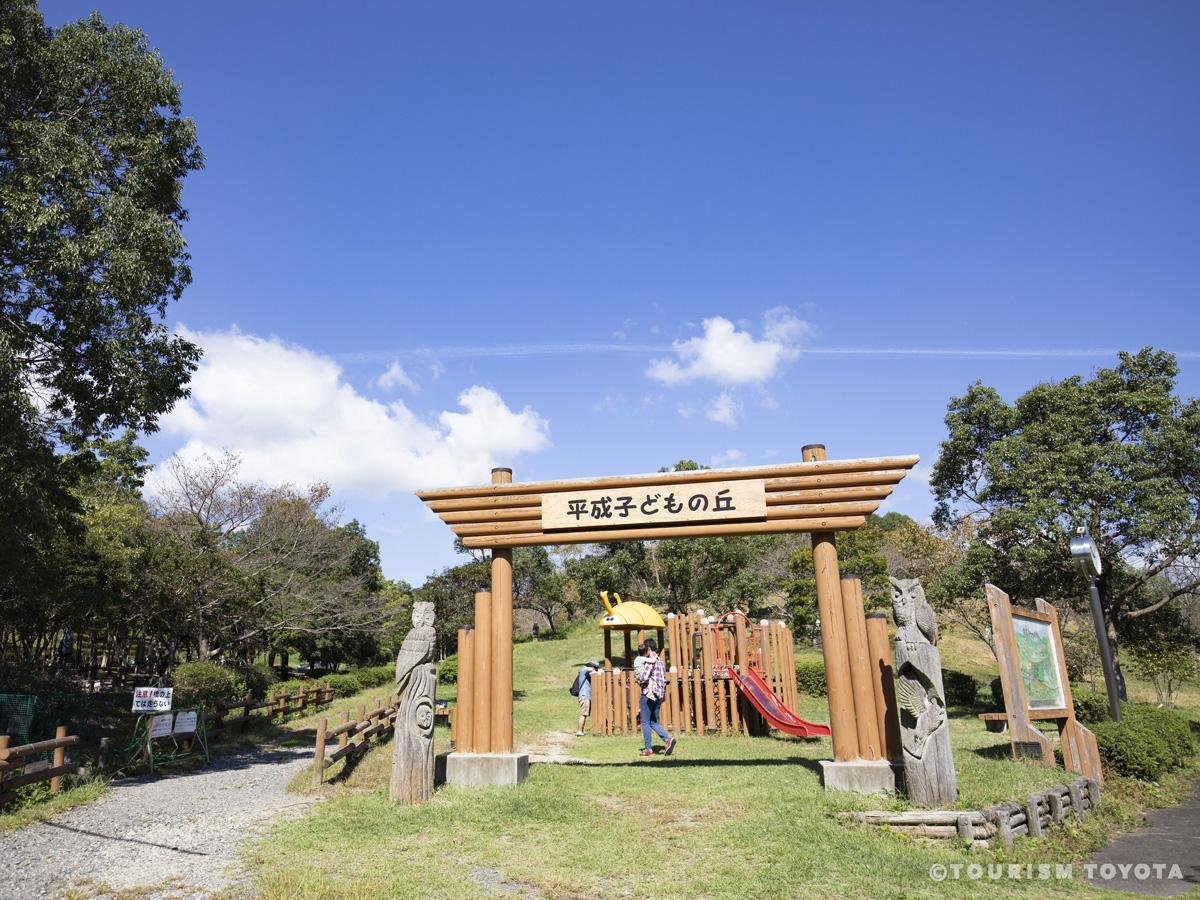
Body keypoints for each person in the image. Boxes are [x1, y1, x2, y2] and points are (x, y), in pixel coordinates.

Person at [634, 639, 675, 757]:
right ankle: (668, 740)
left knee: (645, 722)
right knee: (653, 722)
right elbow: (662, 679)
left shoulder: (650, 661)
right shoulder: (660, 661)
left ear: (648, 649)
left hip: (648, 694)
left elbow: (644, 677)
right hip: (658, 695)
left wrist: (638, 680)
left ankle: (648, 750)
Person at [572, 661, 601, 736]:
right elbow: (592, 670)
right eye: (595, 667)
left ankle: (581, 730)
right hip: (584, 696)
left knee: (585, 713)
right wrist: (597, 670)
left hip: (586, 696)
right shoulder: (584, 669)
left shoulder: (586, 673)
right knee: (583, 714)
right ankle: (579, 731)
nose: (596, 669)